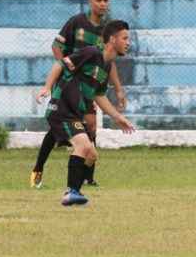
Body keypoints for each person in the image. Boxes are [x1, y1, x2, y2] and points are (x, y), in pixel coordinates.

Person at [30, 0, 127, 188]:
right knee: (58, 130)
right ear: (91, 2)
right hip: (69, 83)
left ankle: (86, 178)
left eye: (106, 0)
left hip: (89, 86)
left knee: (91, 125)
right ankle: (39, 167)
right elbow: (57, 48)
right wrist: (63, 72)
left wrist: (118, 89)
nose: (103, 4)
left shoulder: (109, 31)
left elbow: (108, 64)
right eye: (99, 0)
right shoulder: (77, 22)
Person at [36, 20, 135, 206]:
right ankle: (71, 192)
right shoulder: (91, 53)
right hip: (61, 108)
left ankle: (75, 189)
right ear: (112, 40)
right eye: (125, 38)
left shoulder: (106, 65)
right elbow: (60, 64)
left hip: (74, 113)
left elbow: (99, 95)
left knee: (92, 155)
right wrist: (47, 87)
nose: (128, 42)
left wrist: (118, 117)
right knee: (82, 146)